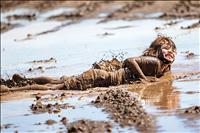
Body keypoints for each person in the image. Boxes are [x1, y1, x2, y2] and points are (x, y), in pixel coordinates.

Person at [0, 35, 177, 92]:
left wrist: (166, 68)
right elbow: (129, 61)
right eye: (166, 48)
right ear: (157, 51)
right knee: (55, 88)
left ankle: (22, 79)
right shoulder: (153, 62)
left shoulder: (161, 66)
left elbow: (166, 74)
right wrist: (143, 79)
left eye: (172, 50)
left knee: (59, 80)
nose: (170, 53)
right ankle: (12, 90)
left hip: (99, 76)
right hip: (99, 78)